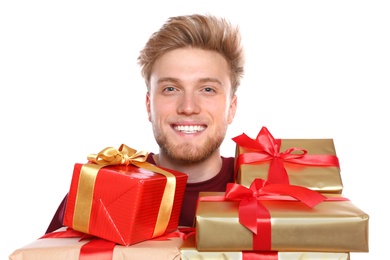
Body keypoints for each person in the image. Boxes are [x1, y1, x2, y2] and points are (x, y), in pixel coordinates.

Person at [46, 13, 245, 233]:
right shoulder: (101, 190)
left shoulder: (267, 189)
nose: (188, 107)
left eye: (208, 89)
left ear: (231, 108)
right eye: (170, 89)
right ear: (149, 105)